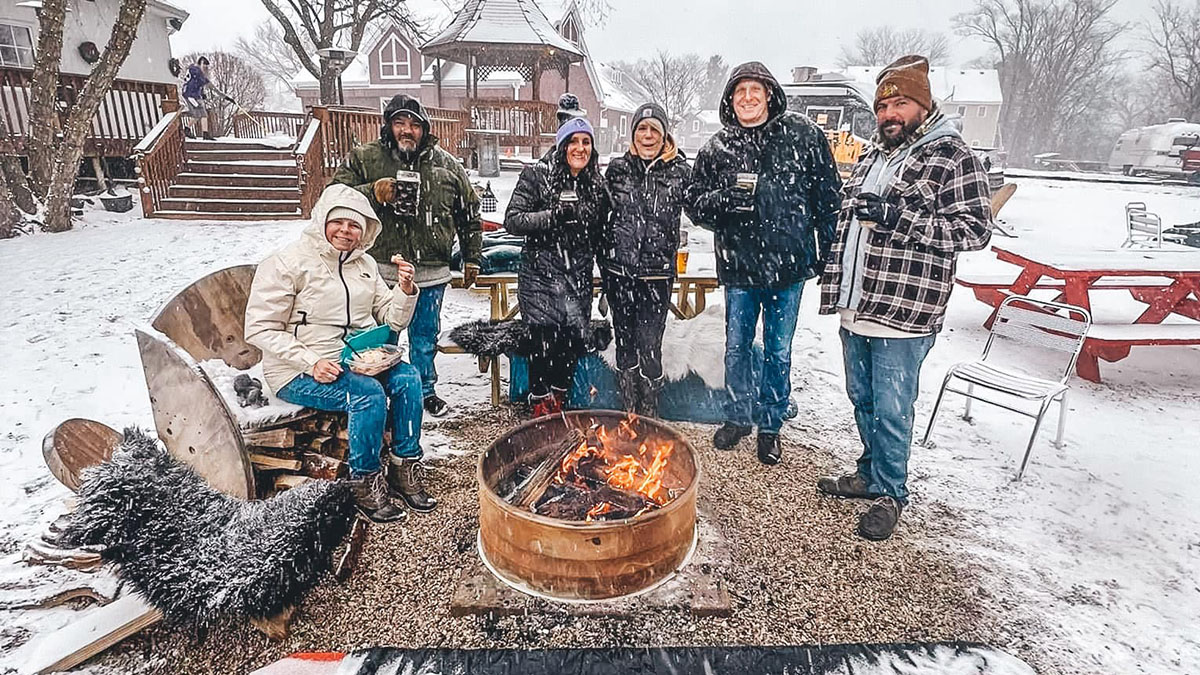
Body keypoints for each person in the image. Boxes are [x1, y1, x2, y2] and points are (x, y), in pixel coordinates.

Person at [816, 55, 993, 541]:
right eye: (883, 105)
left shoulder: (951, 156)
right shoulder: (875, 156)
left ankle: (891, 493)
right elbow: (851, 220)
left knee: (894, 409)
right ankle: (870, 473)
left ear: (923, 104)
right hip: (858, 305)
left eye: (901, 103)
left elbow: (975, 230)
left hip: (904, 313)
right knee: (863, 399)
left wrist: (898, 218)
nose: (890, 113)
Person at [244, 184, 437, 523]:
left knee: (409, 378)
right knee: (367, 395)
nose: (346, 232)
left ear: (365, 231)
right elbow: (259, 328)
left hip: (357, 359)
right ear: (322, 221)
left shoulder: (364, 265)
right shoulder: (288, 263)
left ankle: (403, 466)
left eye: (355, 226)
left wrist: (405, 290)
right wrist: (311, 362)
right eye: (339, 223)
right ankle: (363, 482)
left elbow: (392, 318)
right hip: (297, 369)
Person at [686, 62, 842, 465]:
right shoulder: (718, 147)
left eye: (755, 90)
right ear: (730, 99)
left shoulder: (803, 136)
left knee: (778, 351)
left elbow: (828, 198)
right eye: (740, 92)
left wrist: (826, 254)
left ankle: (770, 425)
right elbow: (695, 203)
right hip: (739, 268)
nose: (748, 98)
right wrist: (723, 201)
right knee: (736, 349)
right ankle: (737, 416)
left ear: (769, 94)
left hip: (788, 268)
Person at [331, 94, 482, 419]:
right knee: (381, 338)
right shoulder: (365, 158)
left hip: (431, 270)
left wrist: (472, 256)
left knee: (425, 338)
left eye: (414, 124)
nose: (407, 130)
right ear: (388, 125)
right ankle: (381, 391)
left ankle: (425, 390)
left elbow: (469, 212)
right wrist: (374, 191)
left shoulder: (446, 164)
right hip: (381, 269)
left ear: (425, 129)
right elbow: (334, 196)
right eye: (400, 122)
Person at [505, 117, 609, 417]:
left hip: (577, 278)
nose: (580, 148)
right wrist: (552, 217)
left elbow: (602, 235)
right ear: (562, 145)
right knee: (542, 343)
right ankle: (539, 405)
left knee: (571, 343)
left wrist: (607, 275)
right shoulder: (538, 176)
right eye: (573, 142)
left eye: (586, 142)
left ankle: (558, 403)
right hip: (540, 276)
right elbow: (513, 220)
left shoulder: (596, 184)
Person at [600, 102, 692, 417]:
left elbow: (701, 209)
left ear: (665, 134)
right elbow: (600, 215)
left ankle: (649, 412)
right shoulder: (617, 169)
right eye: (642, 128)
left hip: (657, 274)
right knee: (625, 344)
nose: (648, 135)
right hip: (619, 272)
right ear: (633, 133)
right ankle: (629, 411)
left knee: (650, 344)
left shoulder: (680, 171)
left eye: (654, 129)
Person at [181, 56, 211, 140]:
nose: (205, 68)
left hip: (195, 95)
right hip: (190, 95)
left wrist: (202, 93)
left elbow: (198, 85)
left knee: (202, 114)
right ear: (201, 63)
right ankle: (187, 129)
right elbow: (198, 81)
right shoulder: (194, 70)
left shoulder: (198, 73)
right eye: (204, 65)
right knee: (198, 113)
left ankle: (205, 133)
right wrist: (206, 80)